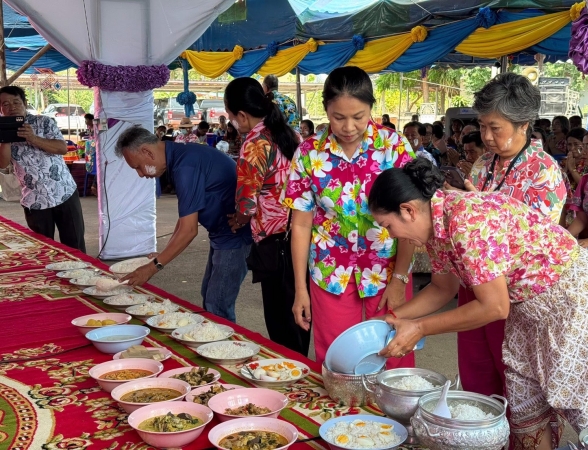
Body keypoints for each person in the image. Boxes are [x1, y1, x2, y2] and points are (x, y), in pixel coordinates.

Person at [370, 159, 588, 450]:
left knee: (579, 399)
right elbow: (442, 289)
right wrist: (389, 319)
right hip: (526, 306)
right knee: (525, 406)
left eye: (388, 226)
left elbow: (494, 307)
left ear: (408, 210)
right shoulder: (436, 226)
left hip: (569, 299)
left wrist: (419, 328)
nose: (392, 235)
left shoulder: (465, 220)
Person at [283, 66, 416, 368]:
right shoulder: (308, 153)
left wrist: (399, 279)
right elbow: (301, 225)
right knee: (339, 361)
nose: (348, 127)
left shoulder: (394, 147)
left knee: (394, 352)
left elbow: (411, 218)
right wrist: (300, 289)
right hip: (330, 271)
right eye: (338, 117)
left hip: (388, 268)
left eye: (358, 116)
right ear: (326, 110)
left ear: (371, 107)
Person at [457, 73, 567, 403]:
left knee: (516, 382)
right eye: (483, 126)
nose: (487, 136)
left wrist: (482, 213)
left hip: (516, 295)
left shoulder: (543, 170)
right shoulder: (483, 164)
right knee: (476, 375)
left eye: (495, 127)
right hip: (475, 283)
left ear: (523, 125)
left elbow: (538, 243)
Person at [115, 126, 252, 323]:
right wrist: (164, 252)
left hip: (234, 236)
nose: (140, 174)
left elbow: (189, 230)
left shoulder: (185, 167)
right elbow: (186, 217)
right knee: (209, 294)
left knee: (217, 304)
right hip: (222, 234)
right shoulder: (179, 157)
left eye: (138, 167)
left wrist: (153, 267)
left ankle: (227, 341)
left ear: (147, 152)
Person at [224, 77, 309, 355]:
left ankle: (290, 370)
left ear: (242, 115)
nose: (232, 122)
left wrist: (238, 219)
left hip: (274, 241)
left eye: (230, 115)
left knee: (280, 319)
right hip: (301, 233)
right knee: (299, 312)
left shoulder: (254, 143)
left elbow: (247, 202)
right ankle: (300, 364)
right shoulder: (291, 135)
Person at [0, 85, 86, 252]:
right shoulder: (1, 129)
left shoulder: (44, 122)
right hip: (34, 200)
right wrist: (5, 138)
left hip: (64, 192)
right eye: (5, 104)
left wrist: (33, 138)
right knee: (44, 250)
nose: (11, 107)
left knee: (75, 245)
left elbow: (62, 148)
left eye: (16, 102)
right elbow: (2, 164)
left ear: (24, 103)